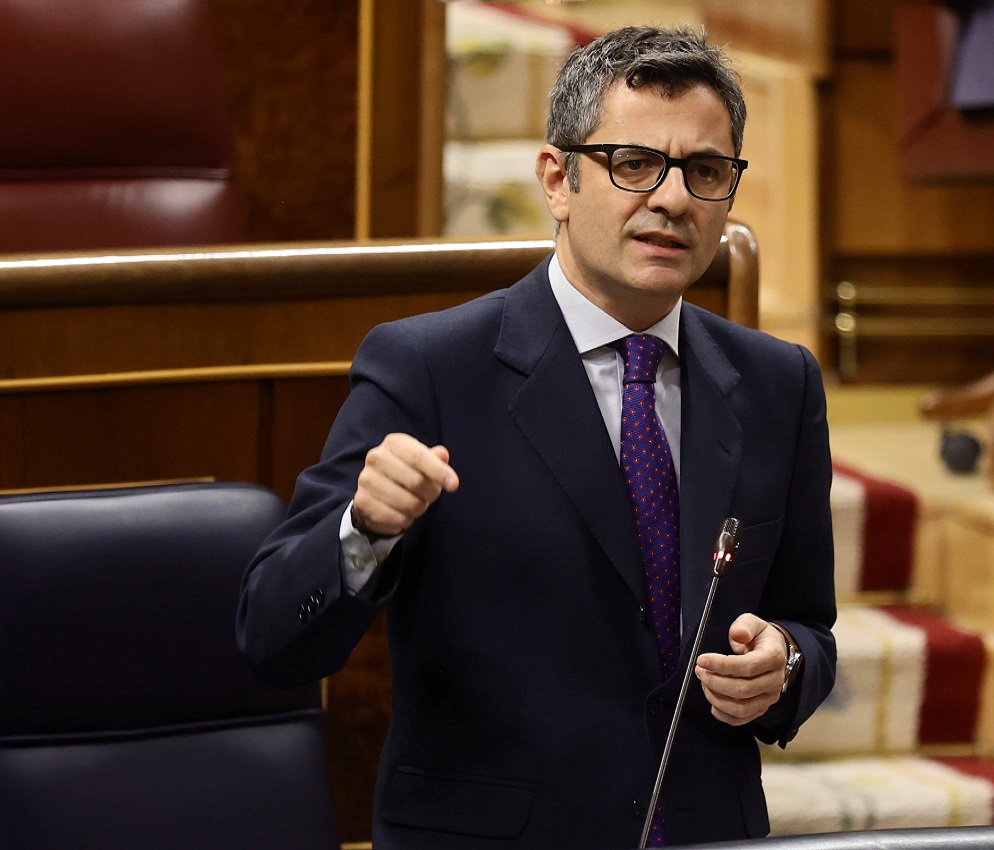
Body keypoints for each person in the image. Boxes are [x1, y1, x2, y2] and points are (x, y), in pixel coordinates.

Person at [237, 25, 836, 850]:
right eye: (633, 164)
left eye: (704, 172)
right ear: (558, 179)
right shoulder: (430, 368)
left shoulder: (778, 382)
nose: (670, 199)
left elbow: (808, 626)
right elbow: (273, 634)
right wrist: (362, 531)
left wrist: (787, 663)